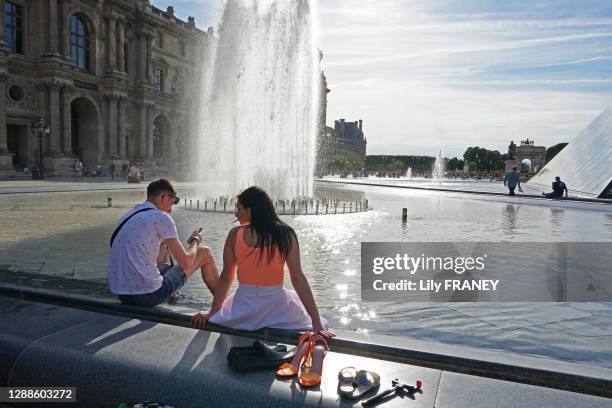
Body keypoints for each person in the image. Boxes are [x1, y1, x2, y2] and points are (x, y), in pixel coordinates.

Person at [192, 186, 332, 337]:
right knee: (323, 324)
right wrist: (316, 322)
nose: (235, 214)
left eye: (238, 209)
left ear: (251, 210)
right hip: (277, 308)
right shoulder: (285, 234)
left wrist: (212, 312)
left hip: (243, 309)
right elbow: (298, 278)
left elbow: (226, 278)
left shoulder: (234, 235)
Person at [108, 178, 219, 306]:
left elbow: (157, 260)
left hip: (122, 294)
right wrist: (195, 241)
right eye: (172, 203)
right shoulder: (161, 217)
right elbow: (186, 262)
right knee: (205, 252)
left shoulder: (128, 215)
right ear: (163, 197)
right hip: (148, 295)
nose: (170, 210)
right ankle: (223, 304)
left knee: (164, 266)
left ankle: (172, 293)